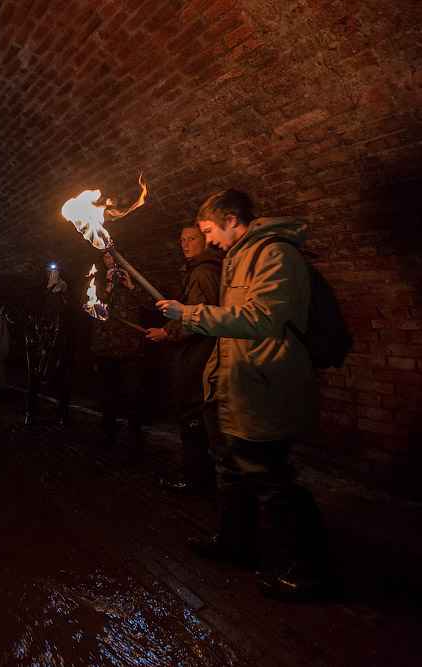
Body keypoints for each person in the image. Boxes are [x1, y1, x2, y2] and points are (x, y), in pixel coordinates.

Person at [157, 189, 336, 602]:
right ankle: (235, 542)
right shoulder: (239, 256)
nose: (208, 240)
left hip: (266, 380)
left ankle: (314, 571)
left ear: (232, 219)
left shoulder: (274, 254)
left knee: (270, 477)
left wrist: (190, 313)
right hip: (236, 381)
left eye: (208, 230)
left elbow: (261, 319)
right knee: (232, 467)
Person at [146, 224, 224, 492]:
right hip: (198, 353)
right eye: (182, 239)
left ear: (205, 240)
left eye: (192, 238)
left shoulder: (203, 271)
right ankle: (202, 476)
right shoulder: (198, 269)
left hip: (199, 353)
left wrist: (166, 332)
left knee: (193, 412)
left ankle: (197, 478)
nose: (185, 243)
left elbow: (199, 317)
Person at [92, 251, 152, 448]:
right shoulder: (97, 281)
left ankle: (134, 438)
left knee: (134, 397)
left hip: (130, 349)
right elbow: (92, 307)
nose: (111, 261)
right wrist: (108, 287)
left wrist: (132, 286)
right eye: (107, 258)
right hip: (106, 348)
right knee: (108, 395)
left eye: (113, 257)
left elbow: (152, 304)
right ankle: (108, 434)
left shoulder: (135, 277)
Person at [25, 264, 75, 426]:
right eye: (49, 270)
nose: (52, 273)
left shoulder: (67, 290)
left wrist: (63, 291)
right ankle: (30, 413)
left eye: (56, 270)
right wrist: (48, 289)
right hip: (42, 341)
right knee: (36, 377)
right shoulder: (39, 290)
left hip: (63, 341)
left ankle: (63, 414)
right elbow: (32, 308)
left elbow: (73, 312)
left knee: (64, 379)